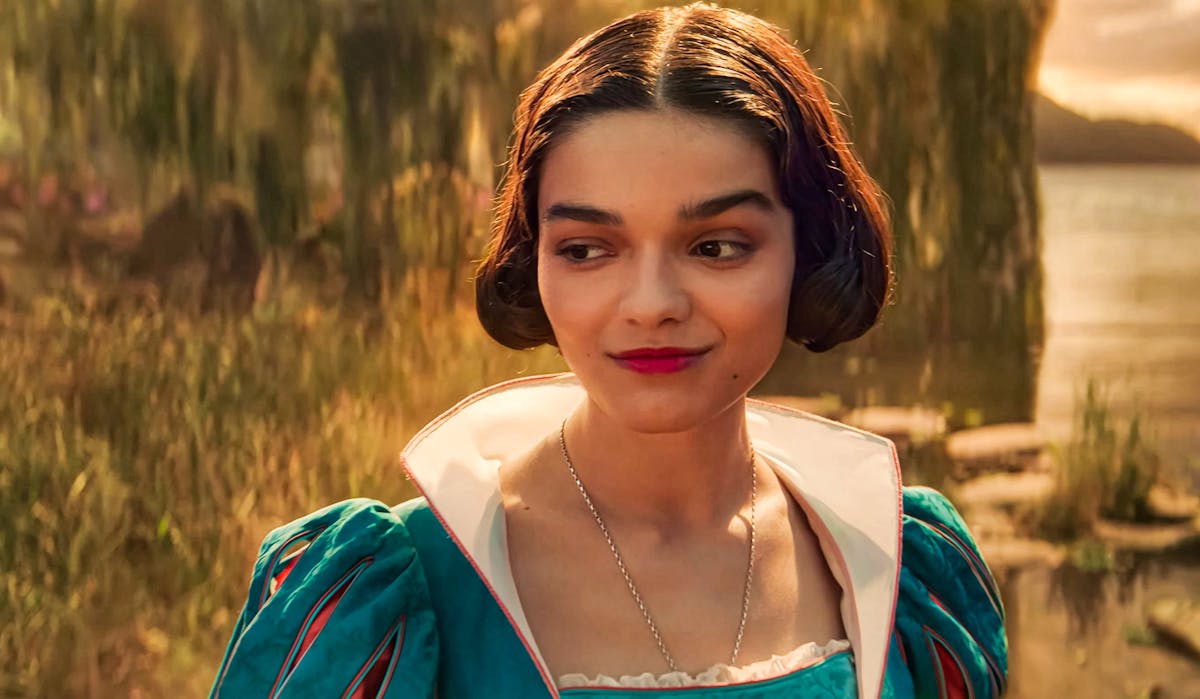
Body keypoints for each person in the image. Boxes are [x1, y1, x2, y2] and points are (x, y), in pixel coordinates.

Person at [208, 4, 1007, 698]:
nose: (652, 303)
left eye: (718, 246)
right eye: (589, 249)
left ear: (810, 246)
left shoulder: (901, 570)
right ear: (535, 258)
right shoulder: (385, 596)